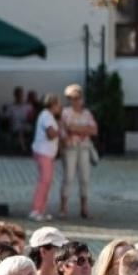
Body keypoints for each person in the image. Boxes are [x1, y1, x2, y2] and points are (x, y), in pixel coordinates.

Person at [58, 83, 99, 220]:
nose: (75, 101)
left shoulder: (86, 113)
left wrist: (76, 128)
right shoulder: (66, 112)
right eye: (72, 98)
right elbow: (65, 129)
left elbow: (94, 130)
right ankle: (63, 208)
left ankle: (84, 208)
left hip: (84, 147)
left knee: (85, 178)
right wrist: (82, 129)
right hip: (70, 148)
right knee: (68, 178)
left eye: (77, 97)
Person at [28, 93, 62, 221]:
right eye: (58, 104)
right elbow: (50, 134)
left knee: (47, 182)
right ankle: (36, 209)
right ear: (53, 104)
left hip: (47, 153)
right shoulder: (46, 116)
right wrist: (60, 131)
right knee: (44, 181)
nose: (60, 107)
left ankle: (41, 210)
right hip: (44, 153)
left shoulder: (48, 116)